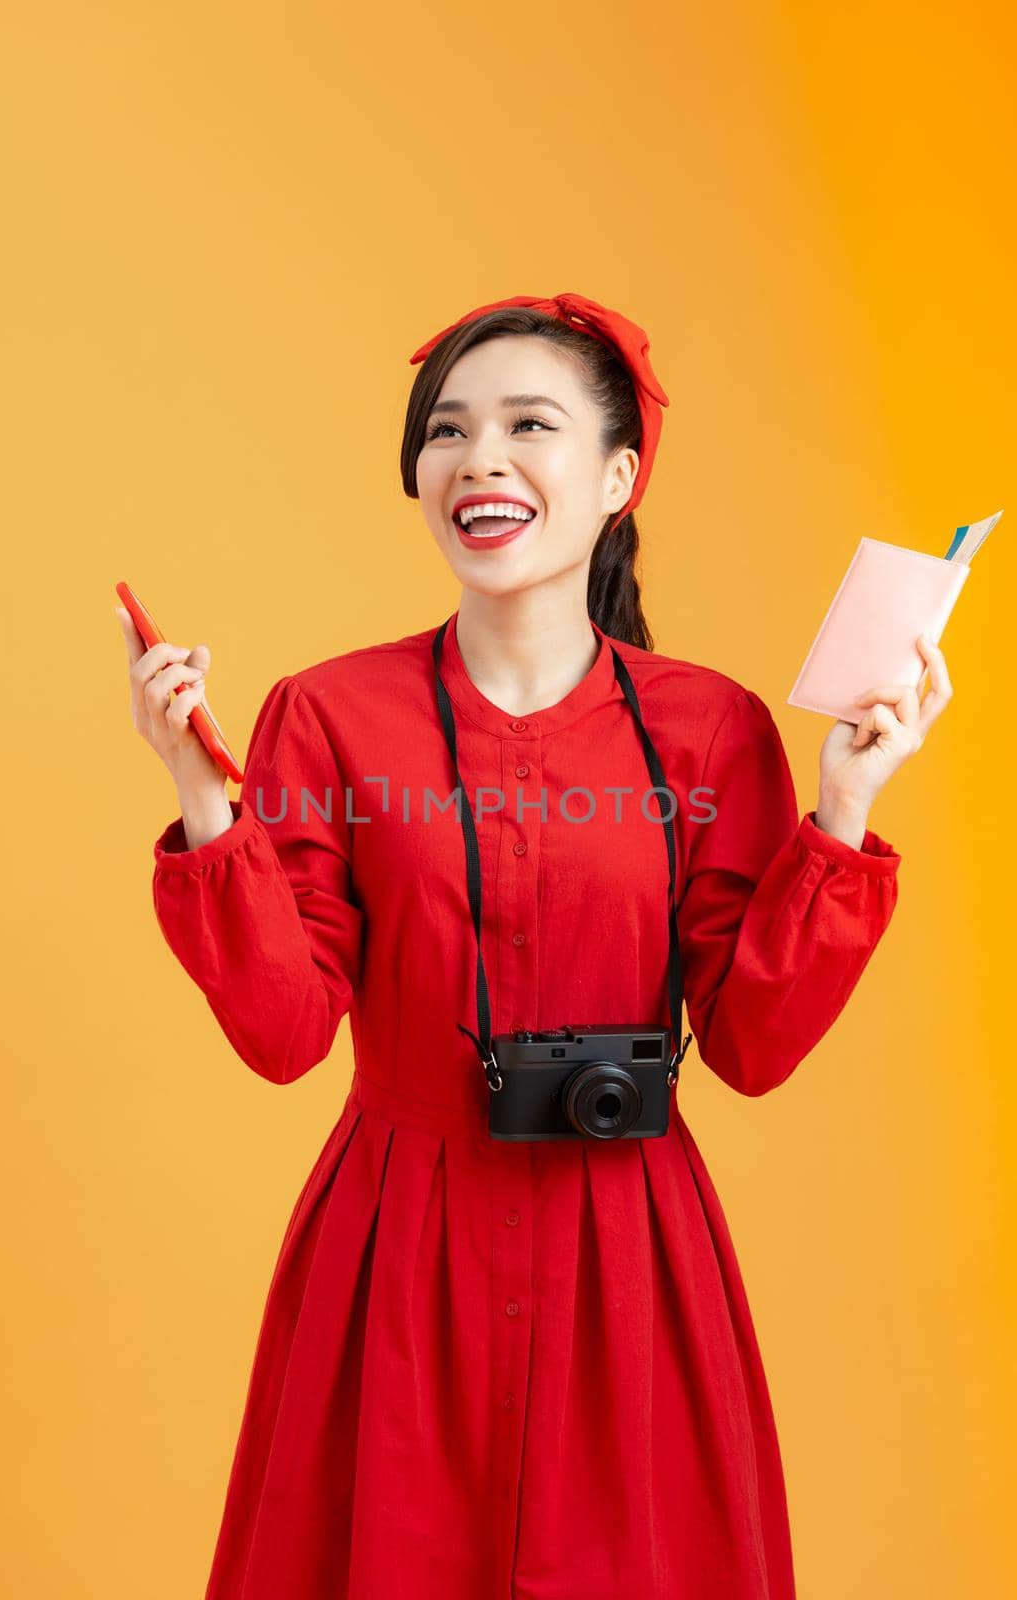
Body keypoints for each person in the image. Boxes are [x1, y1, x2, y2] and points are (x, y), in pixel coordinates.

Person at [115, 292, 952, 1600]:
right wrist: (203, 798)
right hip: (393, 1257)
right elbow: (282, 1036)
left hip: (631, 1259)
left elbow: (749, 1042)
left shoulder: (711, 731)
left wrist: (841, 808)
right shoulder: (328, 717)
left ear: (618, 478)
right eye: (447, 430)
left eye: (527, 425)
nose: (479, 457)